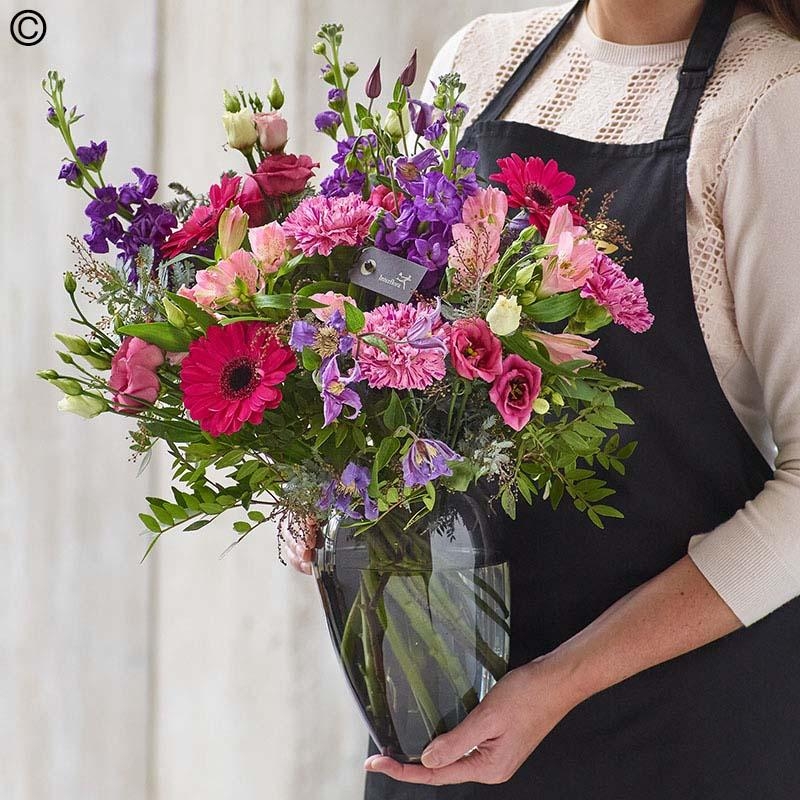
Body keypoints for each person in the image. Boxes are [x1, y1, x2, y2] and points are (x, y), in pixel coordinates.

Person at [286, 1, 800, 797]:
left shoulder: (769, 104)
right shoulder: (479, 60)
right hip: (440, 716)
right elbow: (386, 308)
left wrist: (556, 683)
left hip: (678, 738)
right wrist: (339, 485)